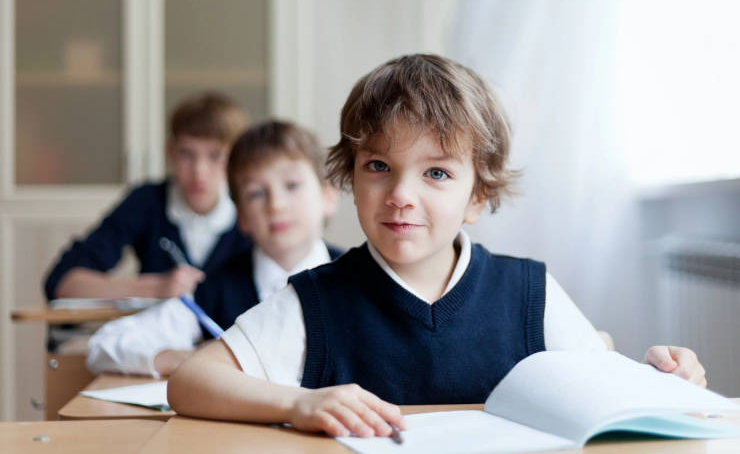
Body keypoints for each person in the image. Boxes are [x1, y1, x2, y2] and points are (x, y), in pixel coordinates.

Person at [168, 55, 706, 439]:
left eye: (437, 173)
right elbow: (191, 381)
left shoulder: (527, 291)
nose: (401, 195)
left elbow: (599, 382)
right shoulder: (317, 299)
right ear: (350, 180)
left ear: (478, 196)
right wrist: (300, 403)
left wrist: (663, 378)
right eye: (378, 167)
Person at [87, 120, 342, 377]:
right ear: (240, 215)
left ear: (328, 197)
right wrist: (184, 358)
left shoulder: (362, 279)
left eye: (292, 186)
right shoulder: (216, 288)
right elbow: (104, 346)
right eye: (256, 193)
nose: (275, 205)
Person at [44, 92, 251, 301]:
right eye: (187, 154)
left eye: (215, 156)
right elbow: (64, 283)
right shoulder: (147, 202)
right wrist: (156, 288)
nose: (199, 171)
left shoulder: (252, 208)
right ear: (170, 152)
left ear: (236, 160)